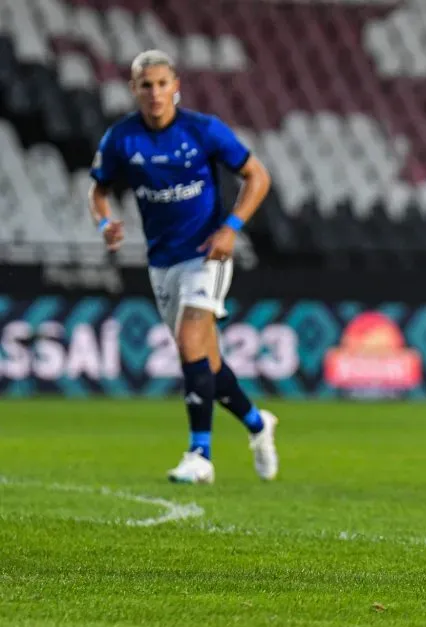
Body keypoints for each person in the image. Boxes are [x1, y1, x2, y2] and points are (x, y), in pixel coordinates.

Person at [87, 50, 279, 484]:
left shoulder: (203, 130)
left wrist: (231, 228)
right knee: (204, 361)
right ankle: (256, 424)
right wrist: (103, 222)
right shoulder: (121, 139)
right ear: (133, 90)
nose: (155, 93)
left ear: (177, 86)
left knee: (192, 339)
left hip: (207, 252)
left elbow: (258, 176)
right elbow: (97, 191)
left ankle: (200, 454)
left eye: (161, 83)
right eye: (145, 85)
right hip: (162, 262)